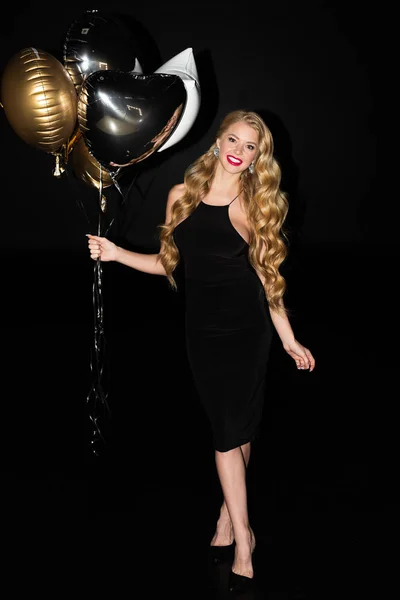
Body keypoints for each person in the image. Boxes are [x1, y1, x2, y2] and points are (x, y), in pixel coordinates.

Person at [87, 109, 315, 592]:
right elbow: (167, 264)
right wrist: (115, 252)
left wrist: (289, 339)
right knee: (234, 430)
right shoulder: (181, 197)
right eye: (233, 139)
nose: (239, 150)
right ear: (218, 141)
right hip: (202, 334)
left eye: (250, 146)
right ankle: (229, 516)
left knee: (231, 435)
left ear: (258, 158)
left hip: (247, 333)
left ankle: (242, 535)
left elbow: (270, 282)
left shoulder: (255, 205)